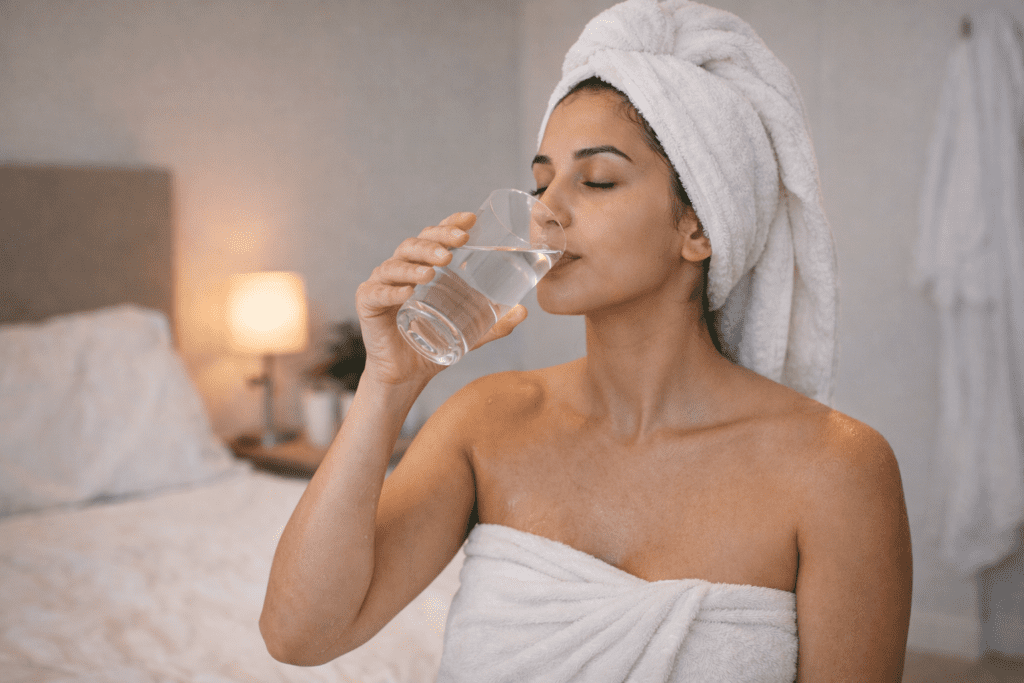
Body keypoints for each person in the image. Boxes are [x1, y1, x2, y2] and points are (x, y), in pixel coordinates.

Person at [260, 1, 913, 680]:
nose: (546, 211)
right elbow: (299, 634)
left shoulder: (837, 471)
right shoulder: (488, 422)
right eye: (541, 182)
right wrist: (387, 385)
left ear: (699, 227)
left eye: (596, 180)